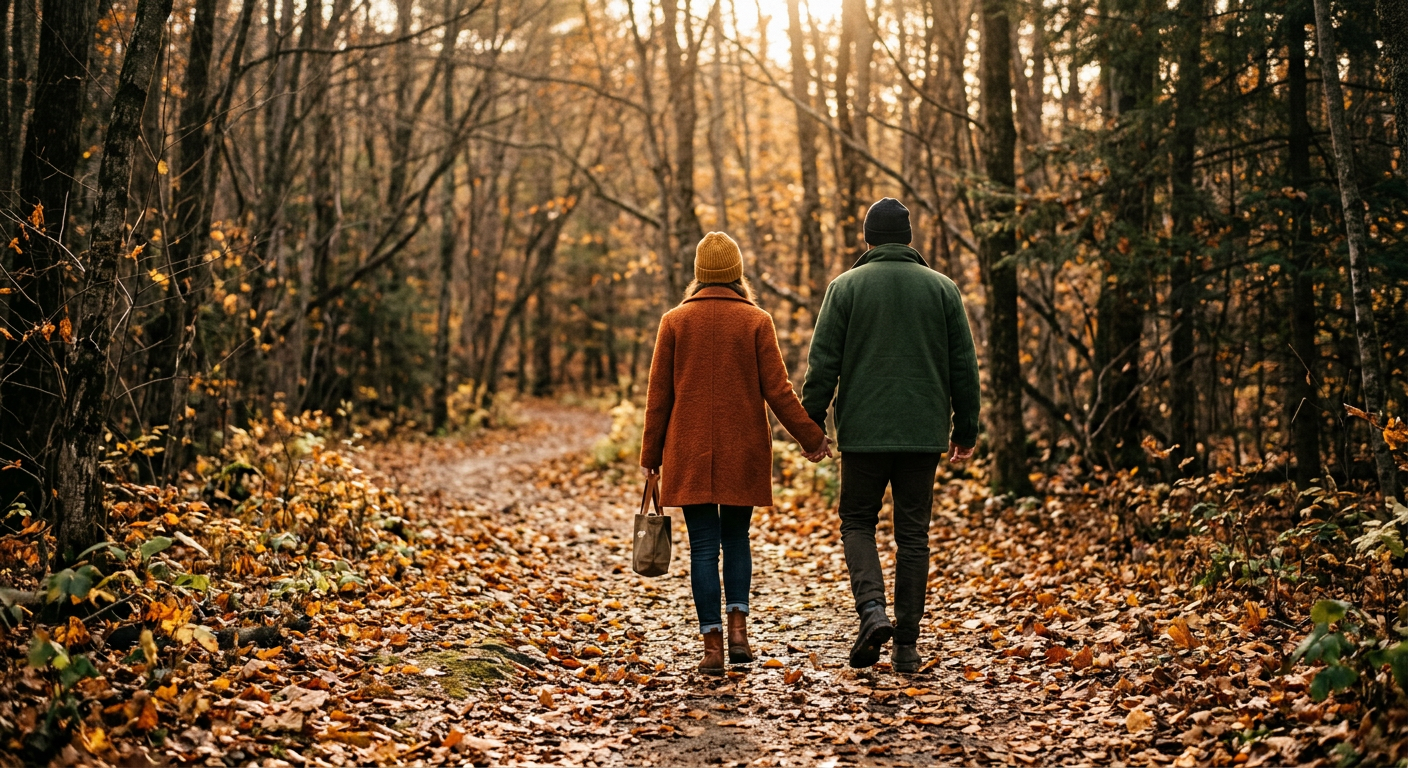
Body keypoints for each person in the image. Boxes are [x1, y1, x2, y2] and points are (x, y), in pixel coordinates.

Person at [640, 232, 832, 676]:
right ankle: (739, 633)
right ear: (737, 274)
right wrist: (811, 437)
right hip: (742, 448)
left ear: (698, 275)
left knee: (704, 547)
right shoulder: (756, 320)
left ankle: (712, 648)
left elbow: (658, 398)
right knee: (737, 539)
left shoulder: (674, 321)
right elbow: (778, 391)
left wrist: (651, 455)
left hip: (688, 450)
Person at [801, 198, 980, 673]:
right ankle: (906, 644)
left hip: (863, 432)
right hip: (923, 432)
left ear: (868, 240)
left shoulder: (845, 288)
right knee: (913, 535)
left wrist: (811, 423)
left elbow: (823, 365)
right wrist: (967, 428)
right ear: (909, 238)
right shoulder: (943, 289)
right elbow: (964, 366)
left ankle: (873, 613)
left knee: (857, 522)